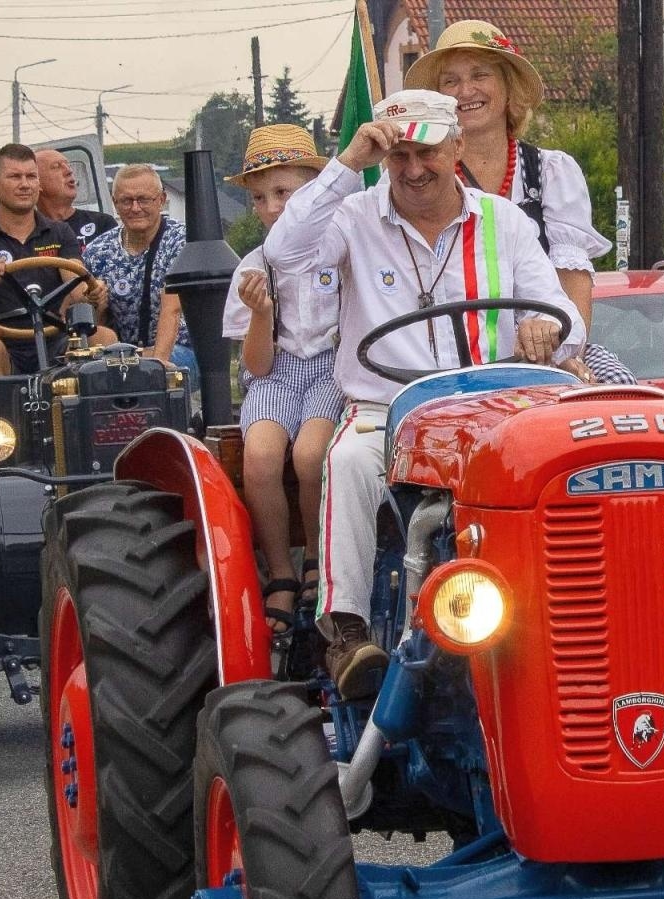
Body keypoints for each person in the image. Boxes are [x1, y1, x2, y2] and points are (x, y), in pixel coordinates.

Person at [263, 90, 583, 698]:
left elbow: (565, 315)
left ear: (457, 147)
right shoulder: (353, 217)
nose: (413, 169)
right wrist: (346, 163)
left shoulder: (504, 222)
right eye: (398, 155)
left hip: (493, 405)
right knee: (349, 458)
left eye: (427, 152)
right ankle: (346, 634)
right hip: (388, 408)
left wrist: (549, 326)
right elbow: (284, 253)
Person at [405, 20, 635, 385]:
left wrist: (565, 353)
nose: (466, 91)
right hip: (452, 354)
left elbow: (574, 284)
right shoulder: (420, 176)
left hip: (550, 346)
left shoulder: (551, 172)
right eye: (450, 81)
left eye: (480, 75)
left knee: (619, 393)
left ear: (508, 88)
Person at [219, 125, 340, 635]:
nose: (272, 207)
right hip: (279, 371)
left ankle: (317, 558)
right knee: (261, 456)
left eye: (284, 193)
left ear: (312, 190)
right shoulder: (252, 267)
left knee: (312, 453)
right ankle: (281, 570)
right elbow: (258, 367)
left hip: (332, 365)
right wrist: (262, 314)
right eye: (261, 198)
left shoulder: (338, 252)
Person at [0, 143, 112, 379]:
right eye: (14, 177)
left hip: (55, 342)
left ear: (39, 184)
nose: (24, 184)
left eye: (31, 176)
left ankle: (97, 414)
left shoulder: (60, 232)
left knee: (104, 338)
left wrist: (93, 292)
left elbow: (76, 279)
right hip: (0, 342)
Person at [82, 164, 196, 381]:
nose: (135, 208)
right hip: (119, 354)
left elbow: (171, 309)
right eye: (126, 201)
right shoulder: (97, 252)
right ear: (114, 203)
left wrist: (156, 368)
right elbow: (94, 324)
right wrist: (97, 304)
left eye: (143, 199)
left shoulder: (182, 242)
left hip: (179, 350)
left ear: (161, 200)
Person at [35, 149, 117, 252]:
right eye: (56, 167)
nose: (69, 171)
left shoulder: (103, 224)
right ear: (36, 182)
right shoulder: (25, 234)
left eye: (68, 165)